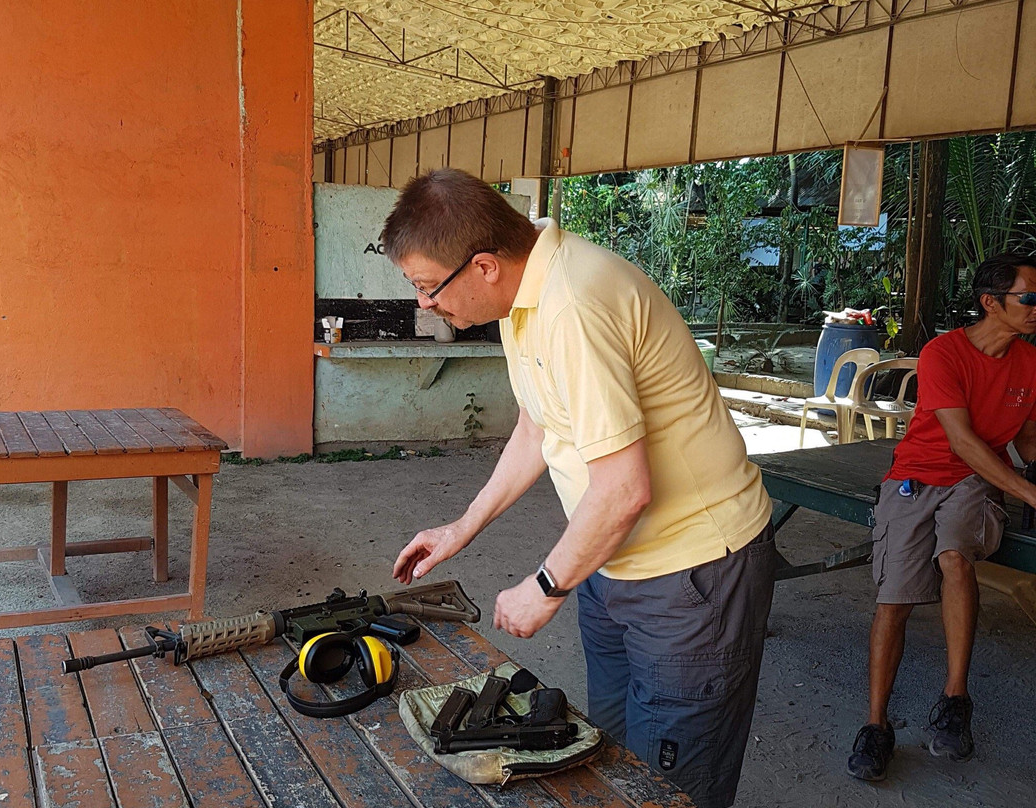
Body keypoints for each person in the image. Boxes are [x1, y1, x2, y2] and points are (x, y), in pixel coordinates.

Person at [385, 168, 776, 808]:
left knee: (671, 785)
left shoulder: (573, 304)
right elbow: (538, 428)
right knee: (611, 754)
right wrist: (462, 528)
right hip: (610, 559)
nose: (425, 304)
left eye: (428, 287)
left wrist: (545, 586)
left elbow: (624, 490)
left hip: (692, 572)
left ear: (483, 266)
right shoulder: (523, 295)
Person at [847, 252, 1036, 781]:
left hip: (978, 481)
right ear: (990, 303)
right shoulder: (943, 353)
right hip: (916, 475)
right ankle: (876, 725)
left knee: (955, 556)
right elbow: (962, 440)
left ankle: (956, 700)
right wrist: (1028, 491)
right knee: (894, 598)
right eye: (1030, 298)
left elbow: (1026, 440)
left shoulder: (1031, 364)